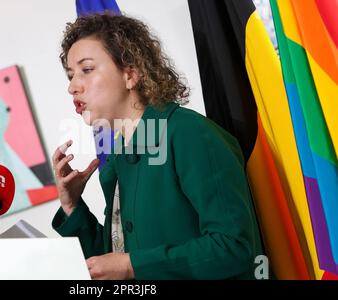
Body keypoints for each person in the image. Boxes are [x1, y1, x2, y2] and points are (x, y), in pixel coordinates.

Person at [51, 13, 263, 280]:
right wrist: (72, 207)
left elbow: (235, 249)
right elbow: (111, 260)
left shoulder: (188, 133)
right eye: (70, 75)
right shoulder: (118, 159)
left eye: (87, 69)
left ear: (130, 74)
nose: (72, 87)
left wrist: (133, 266)